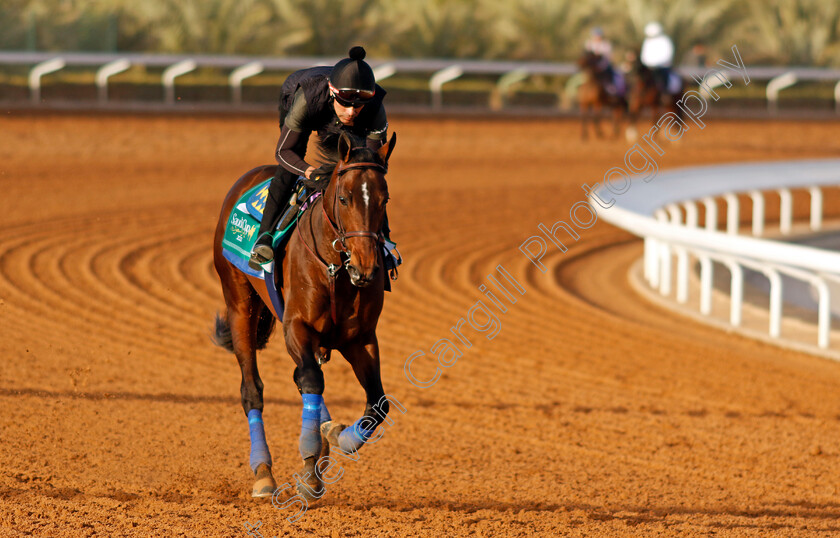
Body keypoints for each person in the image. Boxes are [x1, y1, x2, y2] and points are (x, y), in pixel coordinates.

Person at [249, 46, 392, 271]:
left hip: (335, 112)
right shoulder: (307, 100)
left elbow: (373, 164)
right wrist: (307, 170)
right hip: (300, 94)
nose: (352, 112)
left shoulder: (374, 109)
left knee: (367, 179)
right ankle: (264, 237)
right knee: (289, 168)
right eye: (345, 103)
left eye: (358, 105)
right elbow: (283, 152)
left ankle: (383, 238)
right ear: (333, 93)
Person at [584, 27, 623, 95]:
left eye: (598, 35)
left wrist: (601, 66)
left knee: (613, 75)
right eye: (595, 35)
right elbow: (587, 56)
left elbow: (608, 57)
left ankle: (612, 88)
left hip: (604, 66)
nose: (597, 37)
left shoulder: (606, 44)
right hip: (592, 67)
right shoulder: (589, 44)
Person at [639, 22, 675, 94]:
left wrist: (657, 64)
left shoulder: (665, 40)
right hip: (649, 67)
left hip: (662, 67)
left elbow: (667, 54)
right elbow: (644, 55)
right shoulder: (647, 41)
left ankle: (665, 94)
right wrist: (647, 64)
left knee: (663, 79)